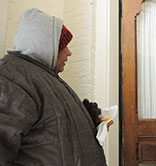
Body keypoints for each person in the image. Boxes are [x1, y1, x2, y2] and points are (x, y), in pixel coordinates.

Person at [0, 8, 111, 166]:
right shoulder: (11, 79)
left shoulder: (42, 77)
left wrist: (90, 117)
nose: (69, 53)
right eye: (63, 46)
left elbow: (54, 126)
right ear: (47, 47)